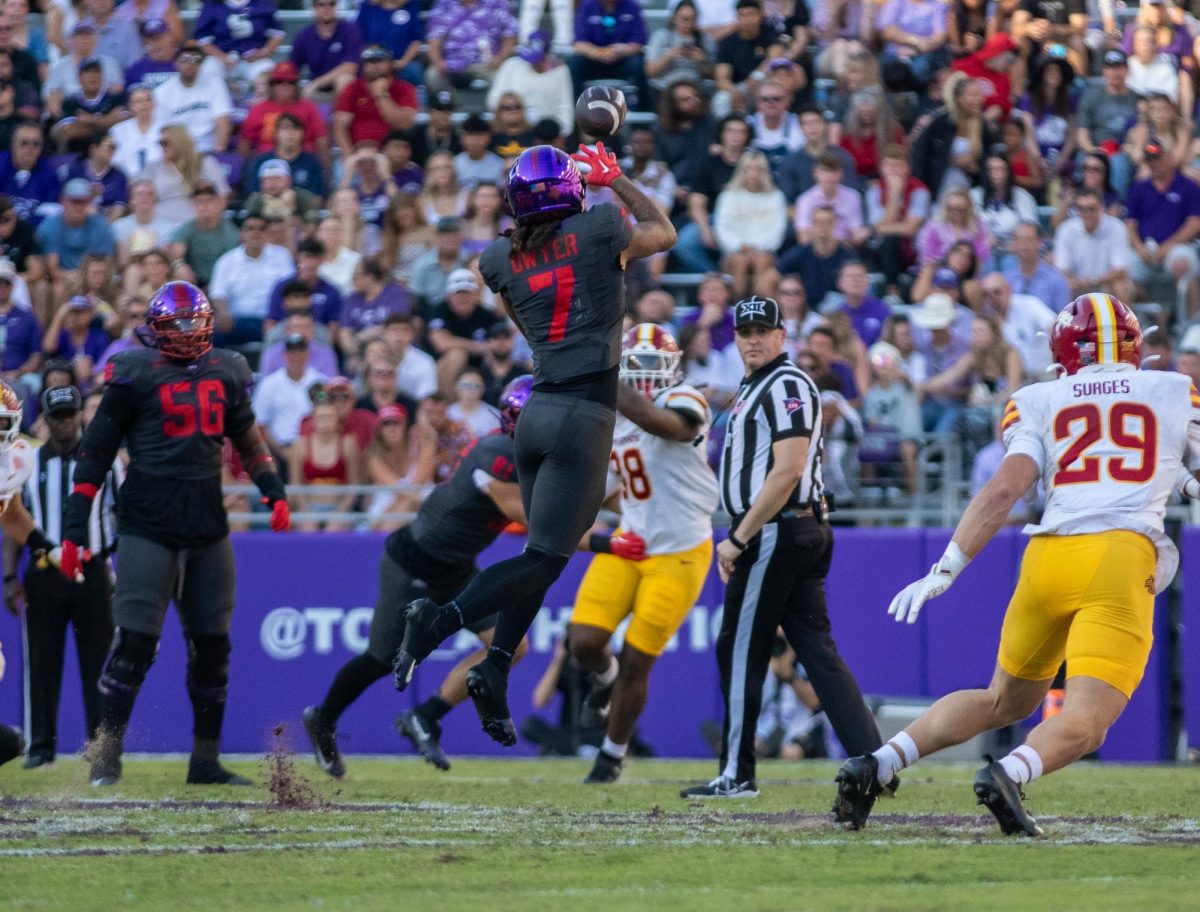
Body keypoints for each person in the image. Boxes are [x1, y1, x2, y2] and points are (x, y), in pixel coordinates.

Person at [834, 293, 1199, 836]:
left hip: (1048, 557)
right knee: (1088, 719)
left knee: (1003, 697)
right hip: (1118, 557)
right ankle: (1008, 773)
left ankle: (877, 764)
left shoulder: (1037, 398)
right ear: (1132, 344)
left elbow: (1006, 488)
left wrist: (946, 567)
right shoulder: (1172, 389)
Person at [393, 141, 677, 744]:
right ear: (571, 193)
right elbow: (663, 230)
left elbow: (528, 325)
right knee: (547, 557)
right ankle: (437, 623)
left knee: (539, 562)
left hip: (538, 409)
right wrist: (616, 178)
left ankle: (493, 670)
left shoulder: (497, 257)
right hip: (584, 416)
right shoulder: (601, 225)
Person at [302, 377, 644, 775]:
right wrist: (610, 542)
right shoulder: (496, 452)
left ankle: (427, 715)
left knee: (511, 648)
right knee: (380, 659)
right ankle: (324, 717)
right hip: (415, 559)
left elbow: (591, 499)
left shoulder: (531, 455)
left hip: (458, 566)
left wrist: (639, 509)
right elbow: (536, 522)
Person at [57, 281, 292, 786]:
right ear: (157, 329)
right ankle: (105, 756)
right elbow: (95, 453)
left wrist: (273, 489)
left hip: (207, 526)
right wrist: (74, 531)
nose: (187, 333)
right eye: (178, 324)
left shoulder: (226, 369)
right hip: (148, 524)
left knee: (213, 650)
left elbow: (247, 437)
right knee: (135, 646)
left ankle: (204, 762)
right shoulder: (133, 373)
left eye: (194, 322)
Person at [680, 296, 882, 798]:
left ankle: (737, 772)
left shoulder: (786, 383)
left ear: (781, 335)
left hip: (776, 528)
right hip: (795, 527)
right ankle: (875, 762)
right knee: (816, 649)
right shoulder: (758, 385)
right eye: (743, 331)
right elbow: (748, 410)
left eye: (761, 330)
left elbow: (788, 469)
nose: (751, 338)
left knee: (739, 648)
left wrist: (738, 538)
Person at [569, 324, 717, 783]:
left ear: (673, 368)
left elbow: (664, 426)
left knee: (640, 658)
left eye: (655, 364)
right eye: (638, 363)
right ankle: (606, 679)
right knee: (584, 643)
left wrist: (603, 380)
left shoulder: (686, 399)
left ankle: (611, 754)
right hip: (631, 544)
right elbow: (603, 492)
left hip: (681, 551)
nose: (646, 374)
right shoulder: (614, 424)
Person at [3, 384, 118, 767]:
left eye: (4, 424)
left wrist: (54, 549)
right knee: (39, 665)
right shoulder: (31, 461)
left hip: (90, 569)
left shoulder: (102, 460)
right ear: (48, 420)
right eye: (58, 416)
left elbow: (12, 515)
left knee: (98, 666)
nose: (66, 423)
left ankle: (100, 750)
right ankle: (40, 747)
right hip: (44, 578)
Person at [152, 42, 232, 155]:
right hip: (178, 151)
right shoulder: (162, 92)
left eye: (196, 59)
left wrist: (219, 152)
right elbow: (162, 130)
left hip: (208, 149)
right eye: (185, 59)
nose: (190, 64)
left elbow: (223, 119)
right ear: (176, 63)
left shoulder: (215, 83)